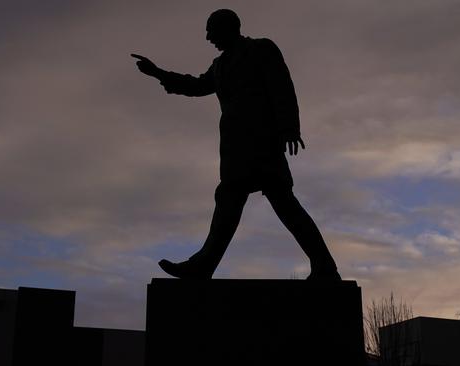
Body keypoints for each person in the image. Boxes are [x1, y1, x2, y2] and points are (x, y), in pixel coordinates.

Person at [131, 9, 340, 281]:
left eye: (211, 30)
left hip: (263, 143)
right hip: (235, 150)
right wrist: (157, 72)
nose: (207, 37)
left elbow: (281, 86)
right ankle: (202, 267)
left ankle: (324, 266)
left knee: (283, 205)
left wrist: (289, 127)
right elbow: (195, 86)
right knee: (230, 205)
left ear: (228, 27)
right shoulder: (218, 65)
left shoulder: (260, 49)